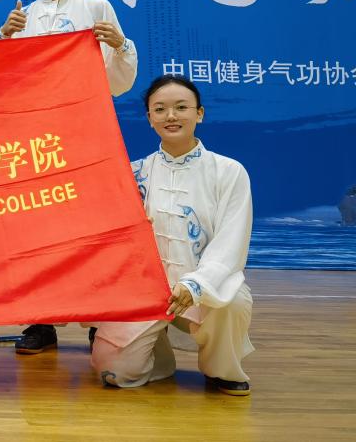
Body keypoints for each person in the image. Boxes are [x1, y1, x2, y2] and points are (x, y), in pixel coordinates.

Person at [0, 0, 138, 354]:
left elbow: (119, 83)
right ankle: (41, 322)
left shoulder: (96, 7)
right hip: (36, 136)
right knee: (37, 228)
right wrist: (4, 37)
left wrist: (121, 45)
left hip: (84, 131)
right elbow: (2, 81)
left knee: (92, 226)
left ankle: (98, 320)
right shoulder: (24, 15)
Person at [91, 75, 254, 396]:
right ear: (149, 118)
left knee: (232, 300)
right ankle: (157, 353)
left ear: (199, 114)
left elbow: (230, 243)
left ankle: (221, 369)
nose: (171, 116)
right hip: (144, 289)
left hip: (201, 289)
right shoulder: (134, 174)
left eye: (181, 107)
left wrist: (196, 285)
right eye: (160, 109)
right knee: (115, 372)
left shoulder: (228, 171)